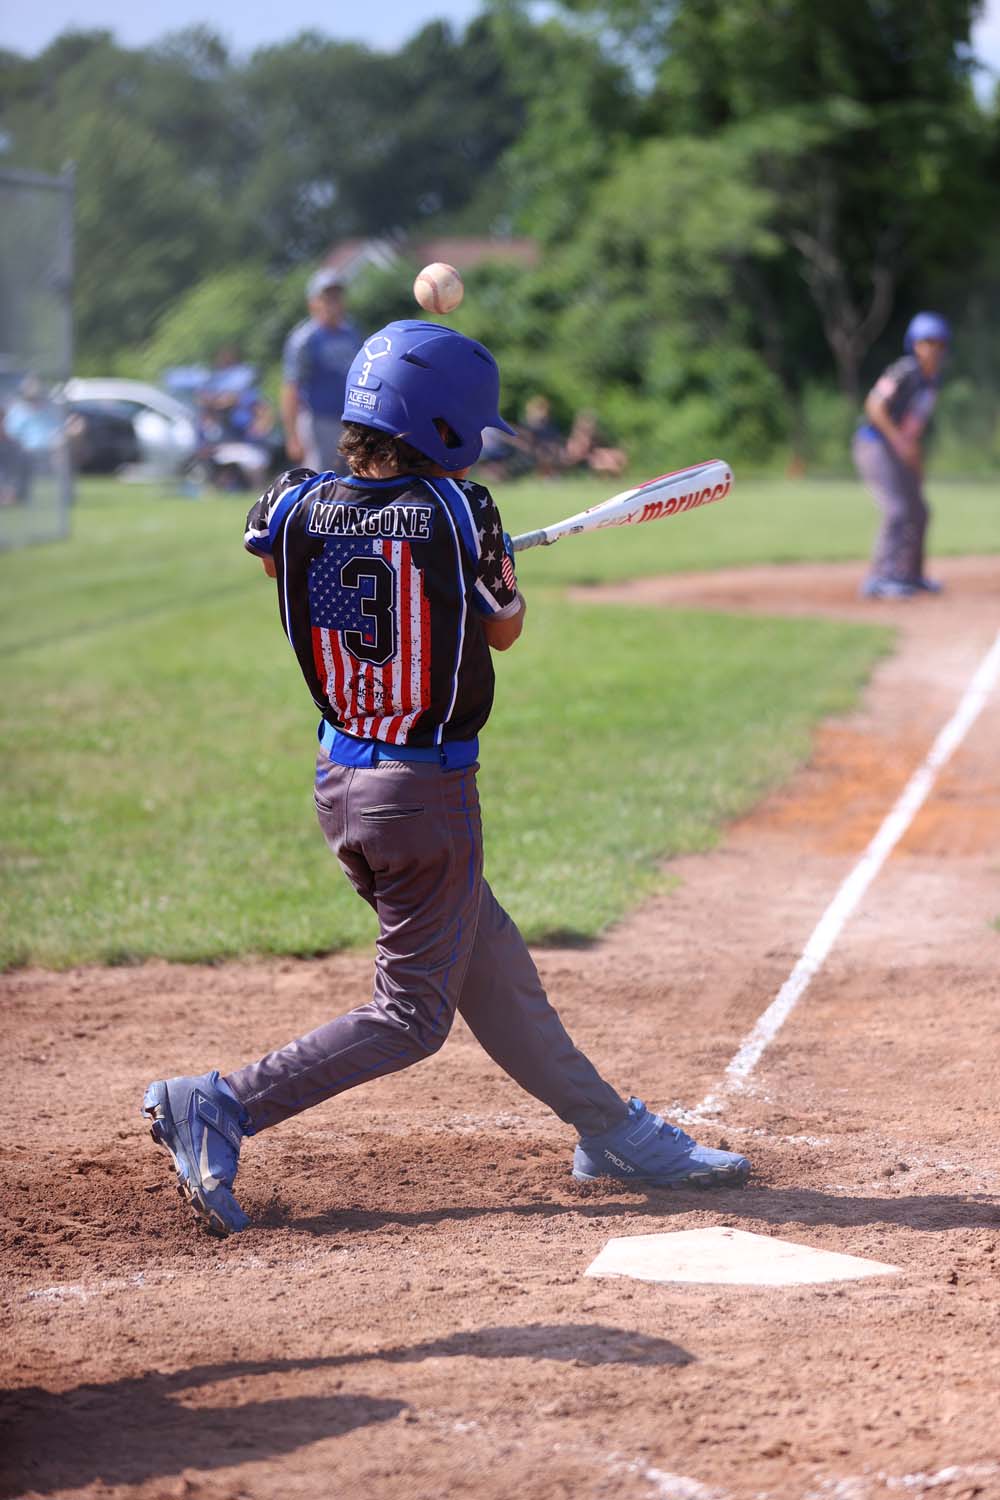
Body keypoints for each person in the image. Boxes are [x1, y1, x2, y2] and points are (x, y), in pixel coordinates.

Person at [141, 321, 750, 1237]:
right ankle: (220, 1102)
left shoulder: (289, 502)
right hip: (424, 799)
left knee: (491, 966)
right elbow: (504, 628)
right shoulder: (464, 512)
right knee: (412, 1017)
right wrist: (482, 559)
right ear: (445, 427)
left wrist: (416, 551)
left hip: (342, 783)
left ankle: (609, 1130)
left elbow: (279, 558)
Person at [853, 312, 951, 599]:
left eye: (938, 343)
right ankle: (880, 579)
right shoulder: (904, 370)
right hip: (873, 444)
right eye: (926, 342)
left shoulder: (931, 382)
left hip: (898, 448)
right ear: (914, 345)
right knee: (896, 510)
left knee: (919, 510)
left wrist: (915, 466)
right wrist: (898, 440)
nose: (932, 349)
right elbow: (874, 406)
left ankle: (911, 575)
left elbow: (913, 428)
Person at [280, 268, 361, 477]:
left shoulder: (351, 333)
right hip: (318, 420)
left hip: (351, 420)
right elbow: (291, 387)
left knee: (355, 480)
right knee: (321, 480)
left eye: (337, 296)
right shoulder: (305, 339)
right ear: (313, 303)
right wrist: (292, 436)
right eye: (327, 297)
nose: (333, 303)